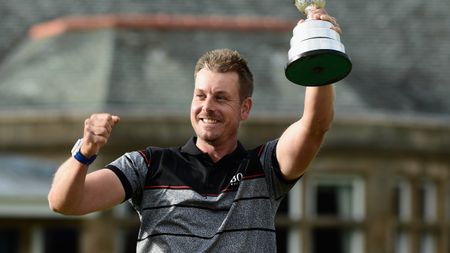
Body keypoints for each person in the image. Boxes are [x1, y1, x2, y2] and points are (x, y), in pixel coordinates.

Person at [48, 8, 339, 252]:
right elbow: (64, 202)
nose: (207, 106)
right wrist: (85, 152)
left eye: (221, 97)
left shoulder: (264, 169)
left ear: (245, 108)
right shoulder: (147, 165)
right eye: (201, 95)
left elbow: (315, 126)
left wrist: (320, 54)